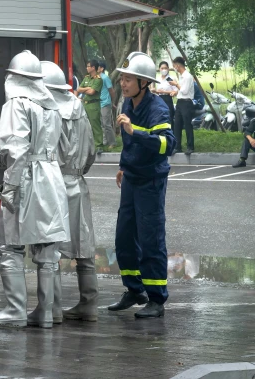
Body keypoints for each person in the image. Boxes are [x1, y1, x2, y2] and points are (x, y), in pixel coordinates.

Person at [0, 50, 69, 329]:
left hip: (27, 178)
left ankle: (15, 309)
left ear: (14, 78)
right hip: (51, 176)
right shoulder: (51, 105)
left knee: (9, 244)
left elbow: (16, 149)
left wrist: (10, 186)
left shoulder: (17, 104)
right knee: (47, 249)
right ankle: (45, 313)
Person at [108, 51, 176, 319]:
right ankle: (135, 290)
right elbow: (129, 143)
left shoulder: (158, 108)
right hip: (132, 178)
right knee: (124, 238)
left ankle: (156, 299)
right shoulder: (128, 105)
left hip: (151, 181)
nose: (123, 84)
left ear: (144, 82)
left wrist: (136, 131)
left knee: (151, 239)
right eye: (122, 78)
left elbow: (166, 144)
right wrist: (124, 167)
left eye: (128, 79)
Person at [41, 61, 99, 323]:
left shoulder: (47, 110)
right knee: (83, 246)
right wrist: (78, 171)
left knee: (48, 249)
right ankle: (89, 305)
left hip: (53, 183)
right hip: (78, 181)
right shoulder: (80, 108)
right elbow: (92, 152)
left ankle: (53, 309)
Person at [77, 59, 104, 152]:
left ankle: (99, 145)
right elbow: (78, 89)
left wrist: (85, 89)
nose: (87, 68)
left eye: (88, 66)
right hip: (85, 104)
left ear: (93, 68)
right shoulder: (86, 78)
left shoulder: (98, 79)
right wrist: (87, 88)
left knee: (95, 125)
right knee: (85, 125)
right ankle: (88, 145)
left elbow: (92, 92)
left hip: (93, 105)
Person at [170, 56, 194, 154]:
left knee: (187, 124)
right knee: (177, 124)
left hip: (186, 102)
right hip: (180, 102)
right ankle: (177, 146)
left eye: (174, 66)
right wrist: (175, 92)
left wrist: (175, 84)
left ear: (178, 66)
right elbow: (180, 90)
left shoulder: (187, 76)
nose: (174, 68)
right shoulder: (181, 76)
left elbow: (184, 90)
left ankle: (190, 146)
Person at [98, 61, 117, 150]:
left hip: (105, 103)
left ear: (101, 68)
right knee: (102, 124)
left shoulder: (105, 78)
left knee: (107, 124)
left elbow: (111, 91)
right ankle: (105, 141)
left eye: (97, 67)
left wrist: (112, 102)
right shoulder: (95, 78)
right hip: (99, 103)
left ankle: (112, 142)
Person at [152, 61, 177, 128]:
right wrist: (156, 91)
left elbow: (175, 91)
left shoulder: (170, 79)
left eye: (165, 68)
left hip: (168, 99)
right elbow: (158, 91)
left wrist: (165, 92)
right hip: (159, 99)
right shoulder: (158, 79)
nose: (164, 70)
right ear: (159, 69)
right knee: (160, 118)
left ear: (168, 69)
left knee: (169, 117)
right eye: (162, 68)